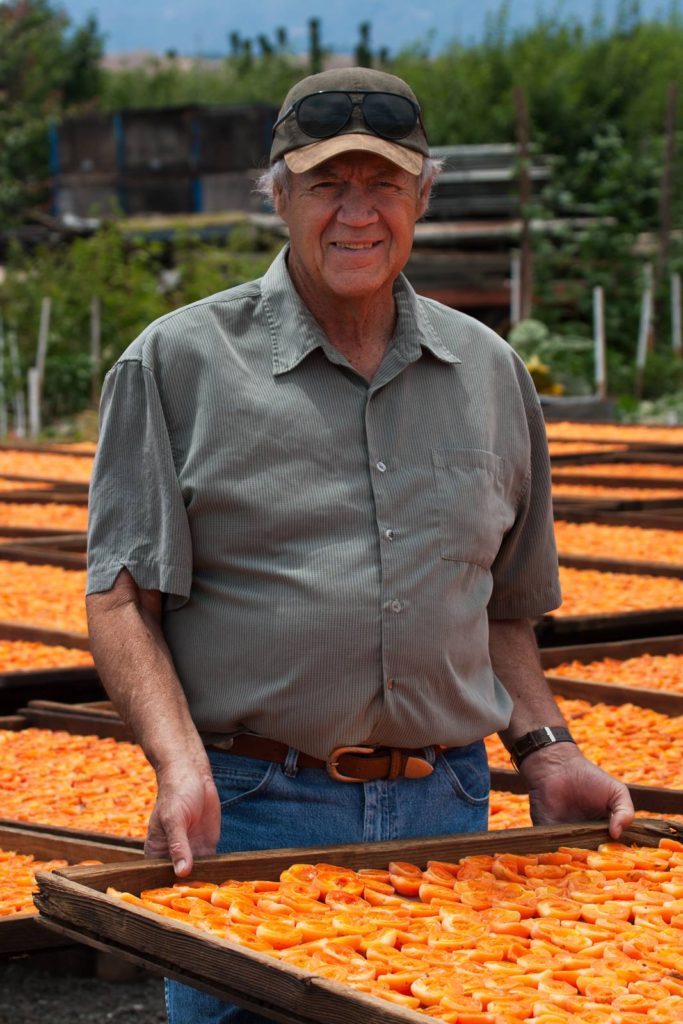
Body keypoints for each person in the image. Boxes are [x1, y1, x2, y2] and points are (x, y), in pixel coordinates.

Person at [85, 66, 634, 1024]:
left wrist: (547, 752)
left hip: (448, 812)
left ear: (422, 195)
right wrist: (179, 767)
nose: (357, 213)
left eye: (382, 184)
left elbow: (499, 607)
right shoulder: (178, 364)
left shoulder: (490, 373)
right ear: (279, 198)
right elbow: (123, 598)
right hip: (253, 804)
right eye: (327, 185)